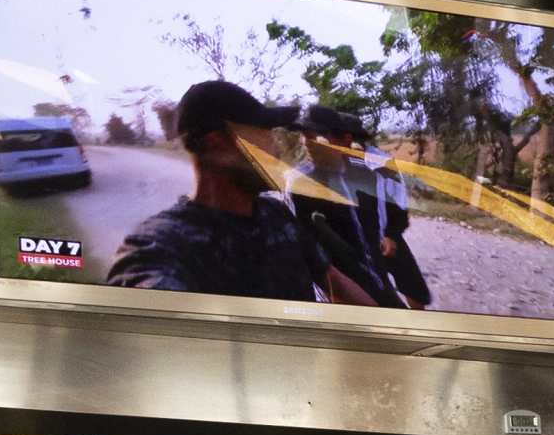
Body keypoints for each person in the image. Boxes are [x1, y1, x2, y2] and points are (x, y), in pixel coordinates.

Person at [107, 81, 374, 306]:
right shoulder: (161, 244)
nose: (278, 149)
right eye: (266, 134)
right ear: (218, 144)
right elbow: (146, 296)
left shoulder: (276, 215)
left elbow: (334, 283)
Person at [290, 107, 424, 311]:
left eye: (316, 135)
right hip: (344, 295)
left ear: (344, 139)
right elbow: (309, 252)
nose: (306, 142)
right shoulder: (301, 184)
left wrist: (390, 234)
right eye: (304, 135)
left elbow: (387, 210)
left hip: (377, 280)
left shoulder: (368, 172)